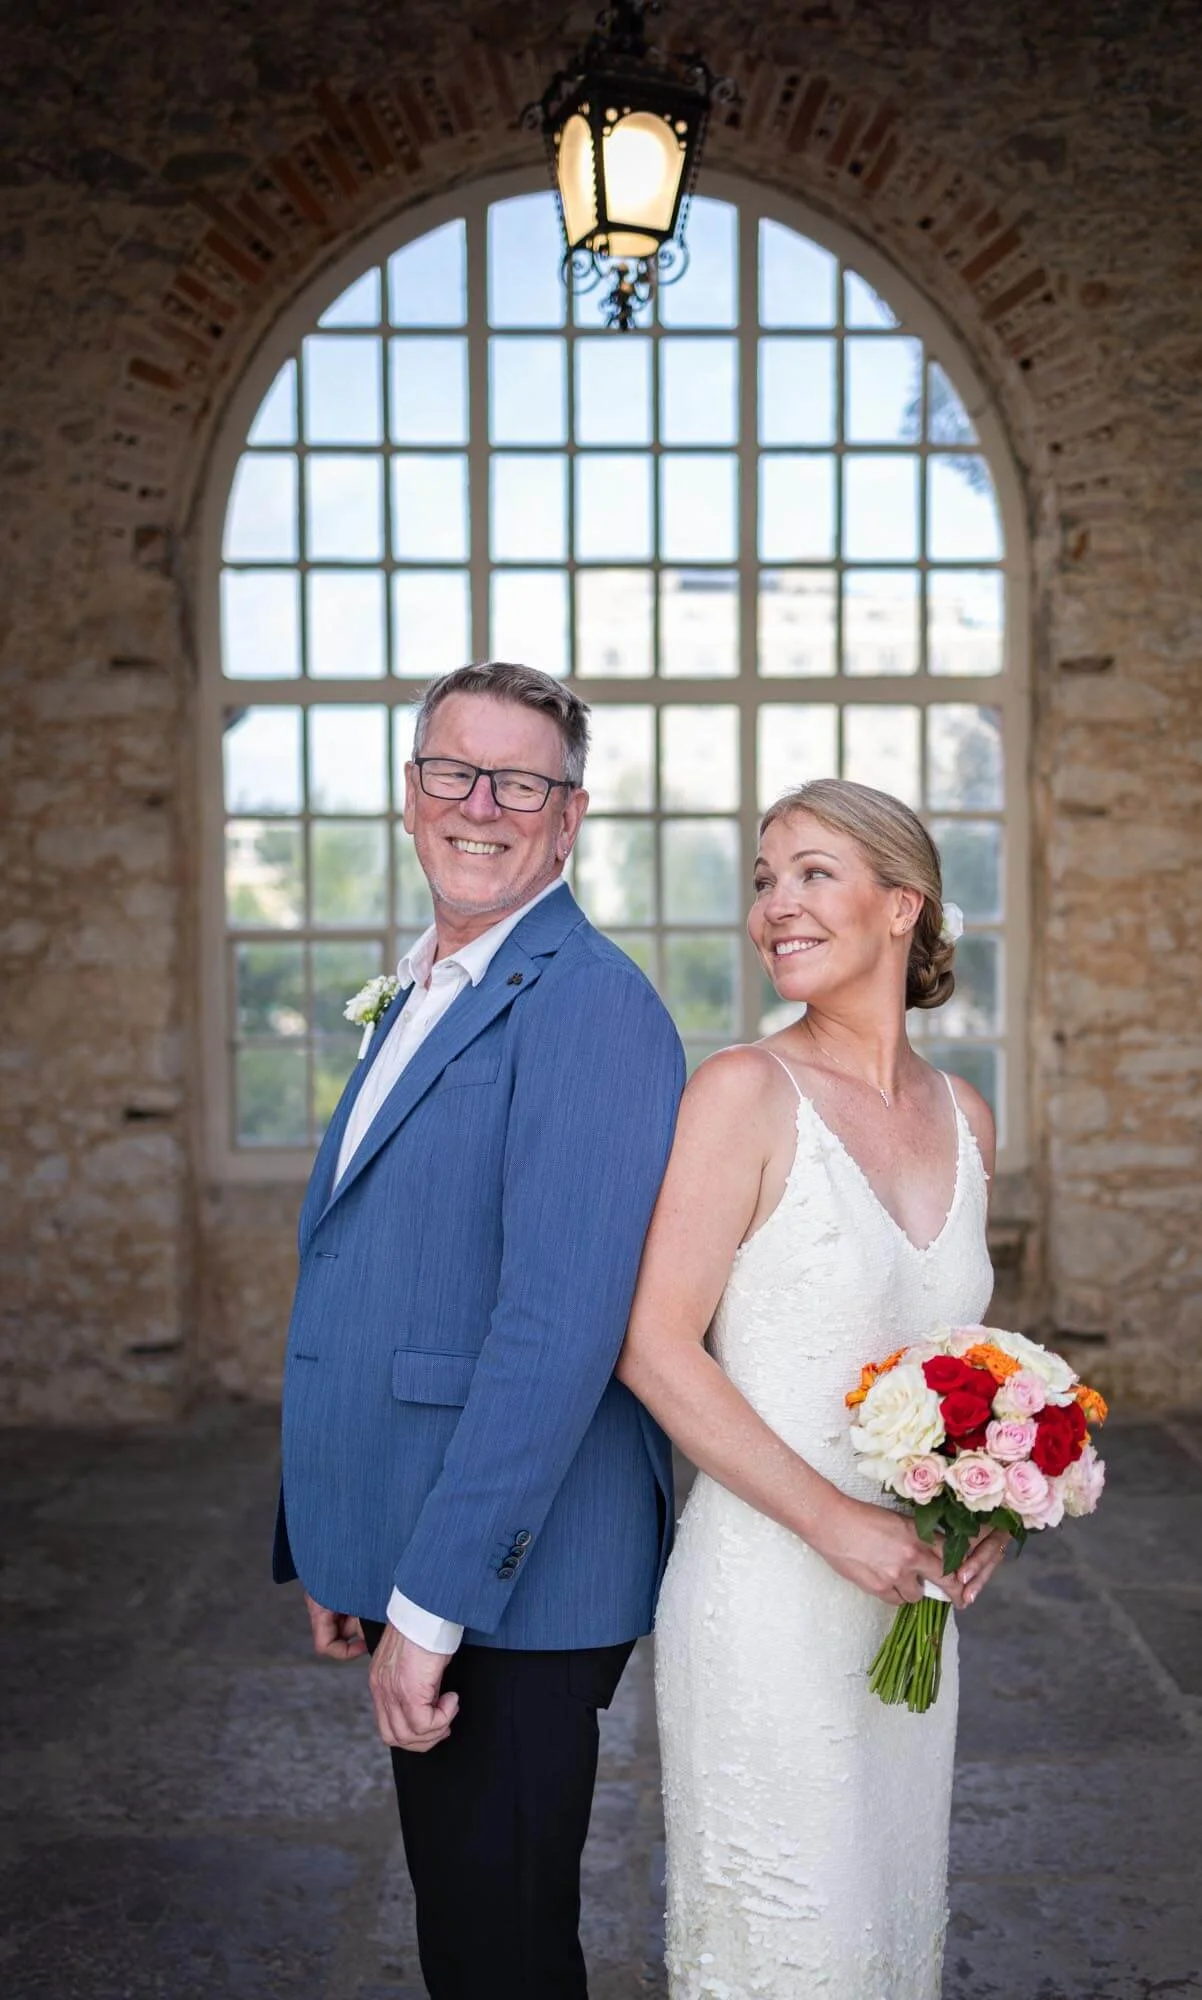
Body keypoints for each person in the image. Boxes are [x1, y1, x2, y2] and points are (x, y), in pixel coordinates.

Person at [273, 660, 685, 2000]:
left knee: (499, 1949)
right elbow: (382, 1272)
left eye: (521, 781)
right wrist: (351, 1549)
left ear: (569, 819)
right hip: (424, 1540)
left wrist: (432, 1602)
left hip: (522, 1579)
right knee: (465, 1932)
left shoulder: (590, 1005)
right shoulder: (435, 980)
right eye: (455, 770)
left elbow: (552, 1332)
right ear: (410, 795)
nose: (481, 803)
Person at [617, 777, 1007, 2000]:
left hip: (909, 1605)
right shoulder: (740, 1091)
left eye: (812, 872)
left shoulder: (965, 1114)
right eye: (763, 878)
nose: (776, 904)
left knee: (887, 1935)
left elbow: (957, 1371)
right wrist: (834, 1519)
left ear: (905, 905)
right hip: (767, 1601)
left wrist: (985, 1502)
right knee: (795, 1950)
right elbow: (654, 1344)